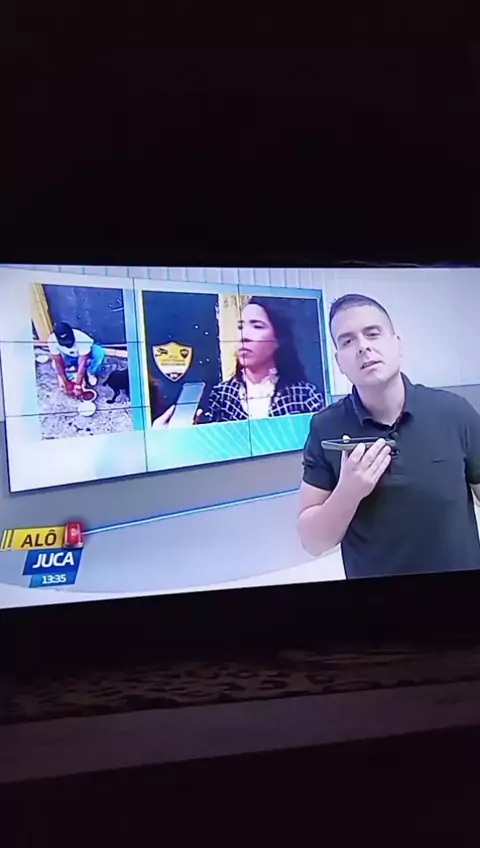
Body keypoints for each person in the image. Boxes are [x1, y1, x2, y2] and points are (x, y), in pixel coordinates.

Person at [298, 293, 480, 579]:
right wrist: (348, 493)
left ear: (397, 344)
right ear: (339, 361)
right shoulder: (326, 427)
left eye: (373, 334)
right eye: (347, 341)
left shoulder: (454, 412)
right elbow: (312, 542)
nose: (363, 347)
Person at [202, 297, 324, 422]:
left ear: (278, 339)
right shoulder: (220, 397)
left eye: (257, 326)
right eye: (240, 327)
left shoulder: (305, 396)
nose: (244, 337)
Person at [47, 321, 105, 399]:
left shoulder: (82, 338)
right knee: (54, 364)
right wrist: (66, 382)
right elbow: (58, 362)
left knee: (99, 353)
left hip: (85, 356)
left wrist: (78, 385)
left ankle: (90, 372)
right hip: (69, 356)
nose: (68, 345)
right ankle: (71, 374)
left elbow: (82, 364)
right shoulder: (51, 340)